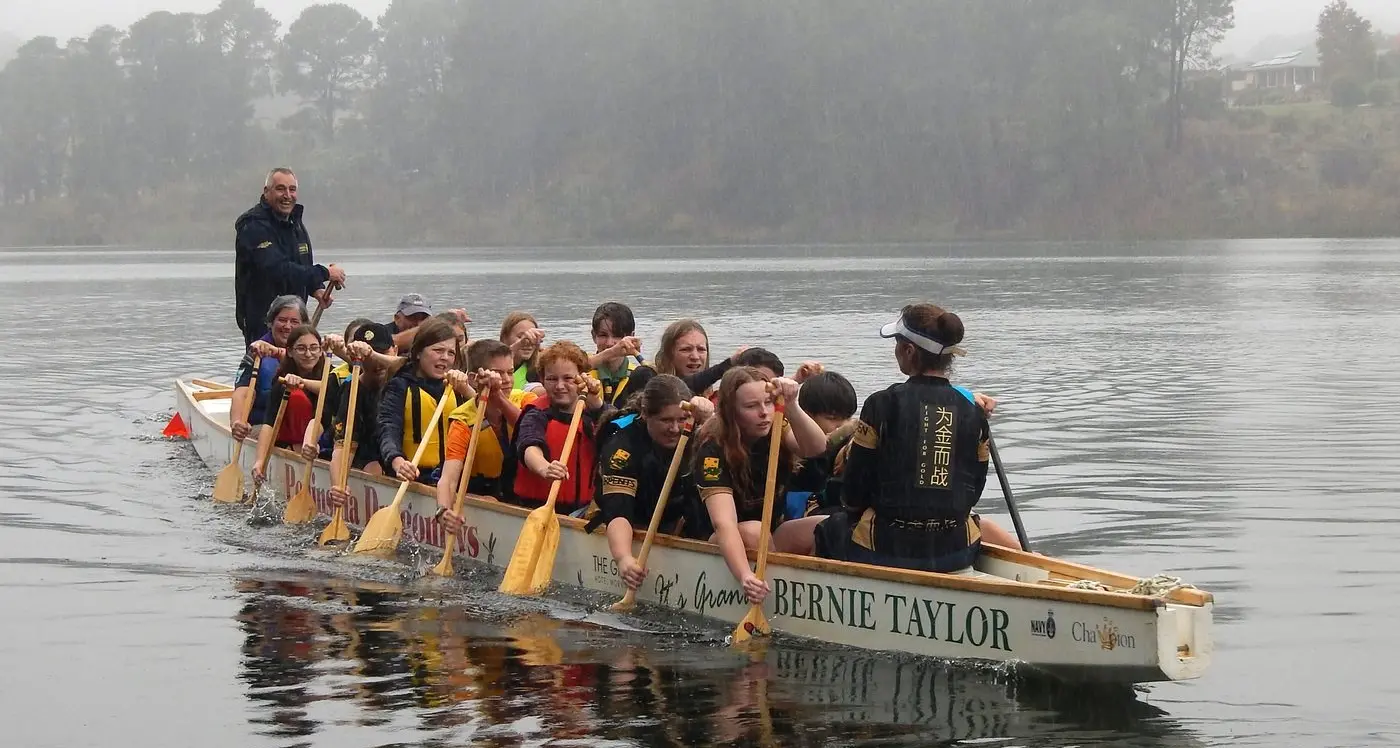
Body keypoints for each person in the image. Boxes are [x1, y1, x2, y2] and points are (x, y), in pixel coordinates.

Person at [814, 303, 1019, 575]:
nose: (895, 350)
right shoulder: (973, 411)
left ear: (909, 351)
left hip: (884, 548)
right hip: (956, 551)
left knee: (827, 530)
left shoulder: (881, 404)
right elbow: (974, 489)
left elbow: (854, 491)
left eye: (897, 343)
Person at [694, 367, 830, 605]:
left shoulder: (777, 425)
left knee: (828, 525)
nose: (764, 413)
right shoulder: (712, 452)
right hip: (716, 540)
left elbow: (816, 448)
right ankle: (768, 591)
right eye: (751, 407)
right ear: (731, 412)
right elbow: (723, 523)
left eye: (768, 403)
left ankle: (807, 594)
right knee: (755, 531)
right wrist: (745, 576)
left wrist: (792, 405)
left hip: (769, 533)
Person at [590, 375, 715, 591]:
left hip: (680, 523)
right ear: (646, 414)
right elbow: (618, 511)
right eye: (666, 420)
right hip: (631, 522)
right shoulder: (623, 447)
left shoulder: (699, 432)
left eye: (681, 419)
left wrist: (712, 417)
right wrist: (623, 559)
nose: (675, 428)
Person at [233, 167, 345, 345]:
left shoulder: (295, 223)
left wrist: (316, 289)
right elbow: (277, 269)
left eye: (292, 189)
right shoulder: (253, 226)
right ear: (266, 192)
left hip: (295, 321)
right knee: (267, 368)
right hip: (263, 323)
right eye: (280, 189)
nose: (287, 195)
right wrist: (325, 273)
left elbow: (303, 263)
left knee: (296, 368)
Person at [435, 340, 537, 507]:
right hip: (483, 496)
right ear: (474, 379)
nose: (506, 380)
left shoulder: (526, 400)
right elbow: (448, 480)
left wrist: (498, 398)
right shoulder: (463, 420)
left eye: (510, 373)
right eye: (497, 373)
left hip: (526, 497)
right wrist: (444, 510)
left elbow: (530, 430)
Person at [511, 341, 608, 515]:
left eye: (568, 378)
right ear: (542, 380)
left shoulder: (595, 413)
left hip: (582, 511)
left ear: (582, 378)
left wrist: (596, 403)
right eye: (552, 379)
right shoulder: (536, 414)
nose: (560, 386)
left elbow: (619, 431)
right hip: (536, 510)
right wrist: (544, 468)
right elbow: (529, 445)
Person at [376, 318, 474, 486]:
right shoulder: (399, 385)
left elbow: (487, 420)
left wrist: (468, 391)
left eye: (451, 353)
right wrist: (397, 461)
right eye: (438, 350)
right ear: (419, 352)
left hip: (452, 478)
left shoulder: (459, 387)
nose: (445, 358)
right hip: (413, 475)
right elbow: (388, 428)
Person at [327, 322, 397, 510]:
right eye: (368, 356)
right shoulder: (352, 391)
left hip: (401, 459)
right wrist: (337, 484)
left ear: (395, 350)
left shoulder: (405, 379)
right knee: (372, 466)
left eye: (382, 352)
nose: (376, 364)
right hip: (366, 455)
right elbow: (343, 446)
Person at [251, 324, 330, 484]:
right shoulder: (281, 381)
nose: (308, 354)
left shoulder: (332, 374)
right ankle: (295, 449)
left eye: (314, 348)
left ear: (321, 350)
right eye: (301, 349)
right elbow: (269, 424)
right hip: (294, 442)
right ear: (290, 352)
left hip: (325, 442)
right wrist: (260, 460)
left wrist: (303, 382)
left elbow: (331, 389)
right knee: (296, 397)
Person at [231, 295, 309, 442]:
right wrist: (237, 421)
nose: (287, 327)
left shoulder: (311, 351)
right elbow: (243, 392)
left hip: (304, 429)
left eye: (294, 322)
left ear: (303, 325)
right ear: (270, 323)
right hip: (264, 426)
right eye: (282, 320)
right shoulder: (257, 352)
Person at [787, 370, 859, 518]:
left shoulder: (851, 443)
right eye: (832, 418)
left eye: (847, 417)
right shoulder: (792, 441)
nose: (842, 425)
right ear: (806, 414)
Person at [586, 302, 645, 407]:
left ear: (632, 336)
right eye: (603, 335)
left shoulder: (637, 375)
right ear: (594, 336)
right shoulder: (581, 368)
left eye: (617, 335)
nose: (609, 343)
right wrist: (613, 352)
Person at [500, 311, 546, 390]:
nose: (528, 342)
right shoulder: (491, 363)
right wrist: (517, 346)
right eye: (520, 336)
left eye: (533, 336)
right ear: (504, 338)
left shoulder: (540, 367)